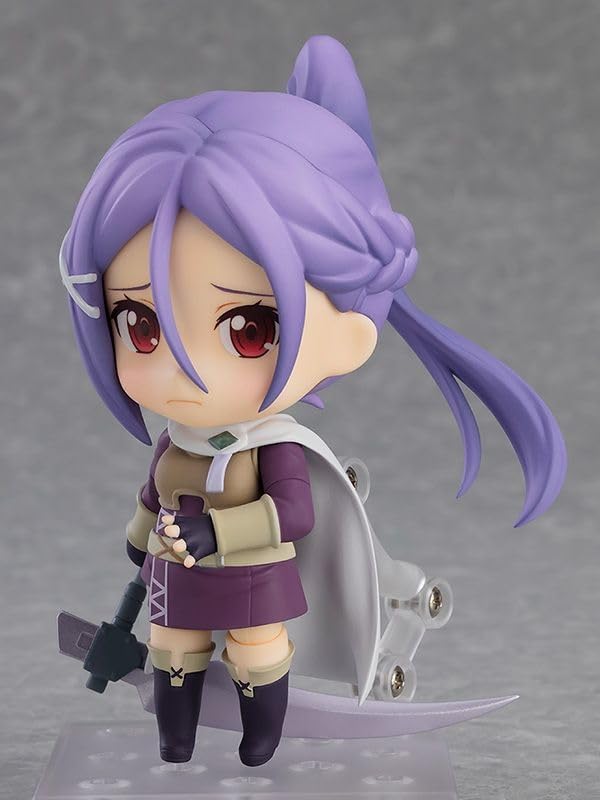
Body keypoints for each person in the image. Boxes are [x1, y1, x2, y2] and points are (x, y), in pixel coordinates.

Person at [59, 35, 566, 767]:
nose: (180, 370)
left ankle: (260, 736)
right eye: (140, 324)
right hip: (175, 581)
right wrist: (142, 535)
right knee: (172, 648)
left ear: (350, 337)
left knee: (258, 649)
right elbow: (153, 491)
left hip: (252, 580)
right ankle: (176, 735)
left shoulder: (273, 448)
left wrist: (215, 534)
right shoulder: (176, 441)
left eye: (247, 329)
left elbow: (294, 514)